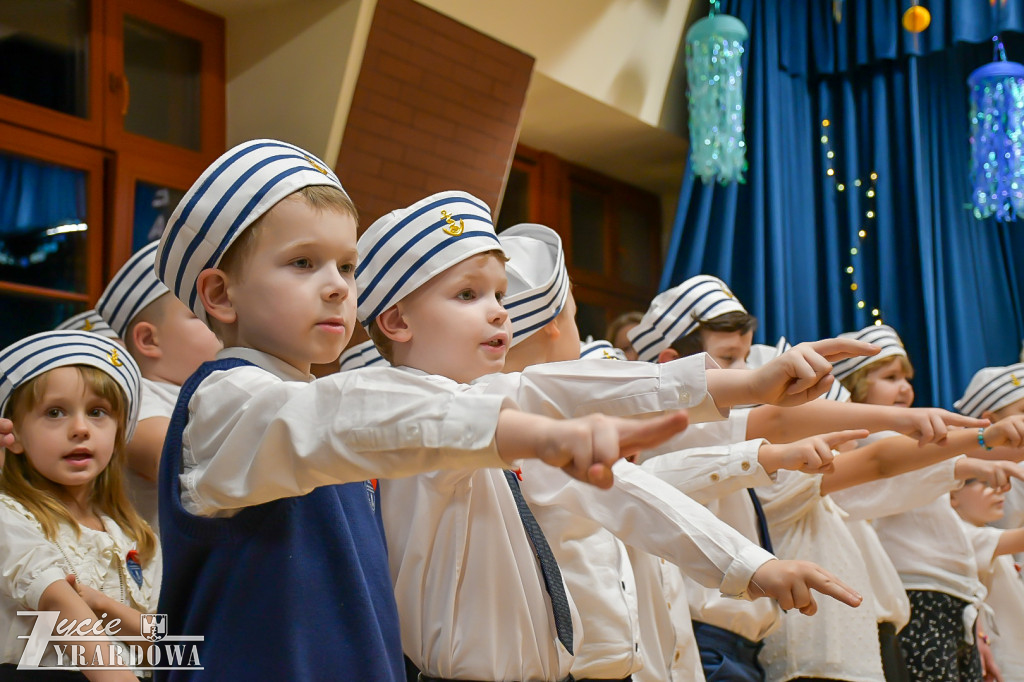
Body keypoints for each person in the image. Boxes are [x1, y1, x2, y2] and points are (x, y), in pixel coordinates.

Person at [152, 140, 685, 682]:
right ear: (220, 294)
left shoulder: (310, 401)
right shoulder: (224, 403)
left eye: (346, 265)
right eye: (302, 263)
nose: (337, 286)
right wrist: (534, 435)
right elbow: (344, 416)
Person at [495, 223, 869, 682]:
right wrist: (755, 394)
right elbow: (649, 454)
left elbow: (643, 486)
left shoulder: (534, 418)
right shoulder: (519, 412)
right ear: (554, 324)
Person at [0, 330, 159, 681]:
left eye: (98, 412)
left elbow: (165, 645)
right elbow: (57, 603)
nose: (80, 428)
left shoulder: (137, 535)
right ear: (15, 435)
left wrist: (102, 604)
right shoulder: (8, 516)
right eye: (55, 412)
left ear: (118, 434)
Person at [95, 241, 222, 532]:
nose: (226, 320)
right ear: (149, 340)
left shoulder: (212, 393)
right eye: (203, 315)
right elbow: (173, 462)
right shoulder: (134, 396)